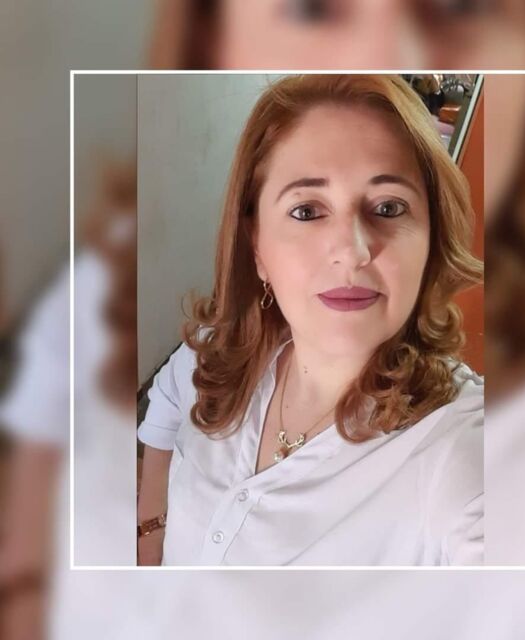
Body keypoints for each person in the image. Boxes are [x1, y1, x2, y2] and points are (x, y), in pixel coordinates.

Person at [136, 73, 484, 566]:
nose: (352, 252)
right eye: (306, 211)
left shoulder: (459, 450)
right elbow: (168, 405)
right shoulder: (216, 350)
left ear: (431, 239)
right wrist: (149, 533)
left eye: (389, 207)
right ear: (257, 246)